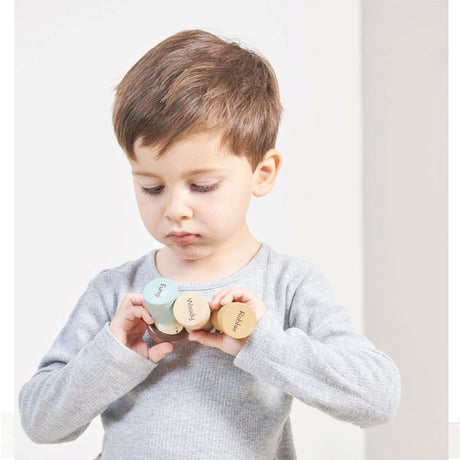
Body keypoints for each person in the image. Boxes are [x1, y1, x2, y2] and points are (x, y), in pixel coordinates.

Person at [19, 29, 400, 459]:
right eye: (151, 187)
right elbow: (40, 422)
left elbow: (378, 396)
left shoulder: (288, 284)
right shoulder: (115, 291)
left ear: (263, 172)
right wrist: (112, 353)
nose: (175, 209)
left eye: (202, 186)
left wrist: (263, 343)